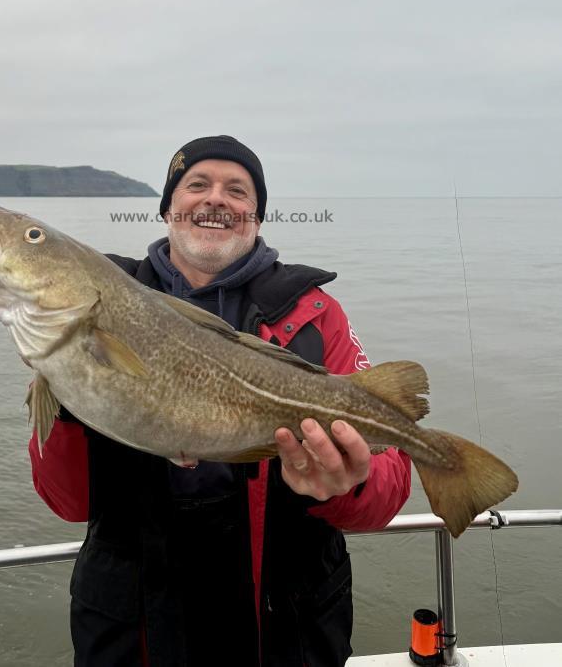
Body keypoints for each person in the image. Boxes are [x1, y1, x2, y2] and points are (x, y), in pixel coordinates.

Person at [30, 135, 411, 667]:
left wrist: (344, 485)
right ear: (168, 207)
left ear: (257, 217)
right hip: (134, 623)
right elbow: (69, 504)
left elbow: (390, 487)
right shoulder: (98, 302)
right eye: (196, 184)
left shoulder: (314, 313)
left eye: (238, 190)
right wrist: (70, 393)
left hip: (284, 623)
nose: (216, 199)